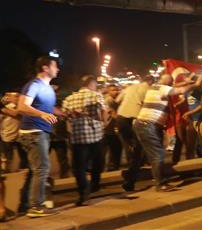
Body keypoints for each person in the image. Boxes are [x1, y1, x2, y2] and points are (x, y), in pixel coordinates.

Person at [131, 74, 202, 192]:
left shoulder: (154, 87)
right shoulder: (163, 88)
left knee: (140, 156)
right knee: (158, 155)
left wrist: (186, 82)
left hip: (144, 125)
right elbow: (180, 89)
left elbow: (174, 85)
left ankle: (129, 180)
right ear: (167, 83)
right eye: (170, 83)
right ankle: (160, 184)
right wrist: (196, 84)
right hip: (148, 125)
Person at [16, 56, 59, 218]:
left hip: (41, 132)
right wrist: (42, 114)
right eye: (55, 66)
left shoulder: (47, 87)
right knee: (41, 169)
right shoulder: (34, 84)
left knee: (37, 170)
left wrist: (64, 113)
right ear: (45, 68)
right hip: (33, 133)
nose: (58, 69)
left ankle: (26, 204)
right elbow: (22, 106)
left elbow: (47, 107)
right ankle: (35, 207)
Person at [61, 75, 106, 206]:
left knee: (79, 167)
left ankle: (84, 195)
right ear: (92, 84)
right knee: (98, 162)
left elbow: (64, 116)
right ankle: (95, 184)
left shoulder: (69, 98)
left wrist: (74, 115)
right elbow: (104, 110)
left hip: (78, 137)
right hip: (96, 135)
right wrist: (103, 123)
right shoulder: (96, 95)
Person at [115, 76, 153, 192]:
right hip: (134, 119)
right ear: (150, 82)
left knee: (130, 146)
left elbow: (117, 101)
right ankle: (130, 180)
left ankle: (132, 168)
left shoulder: (130, 88)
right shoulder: (148, 90)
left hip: (121, 118)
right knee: (139, 148)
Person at [102, 84, 122, 171]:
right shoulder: (108, 100)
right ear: (108, 91)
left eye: (116, 90)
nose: (116, 92)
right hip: (107, 128)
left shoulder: (113, 100)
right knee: (115, 147)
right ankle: (112, 166)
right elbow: (113, 113)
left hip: (110, 128)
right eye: (113, 90)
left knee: (114, 148)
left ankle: (112, 166)